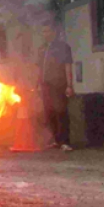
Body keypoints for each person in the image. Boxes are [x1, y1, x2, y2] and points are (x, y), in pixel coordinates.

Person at [40, 21, 75, 151]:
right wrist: (37, 84)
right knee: (49, 113)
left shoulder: (63, 47)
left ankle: (65, 142)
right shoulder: (42, 48)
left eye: (48, 31)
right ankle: (56, 140)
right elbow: (39, 68)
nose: (45, 34)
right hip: (45, 85)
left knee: (61, 112)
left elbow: (68, 66)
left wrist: (69, 85)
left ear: (54, 32)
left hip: (59, 84)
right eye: (44, 31)